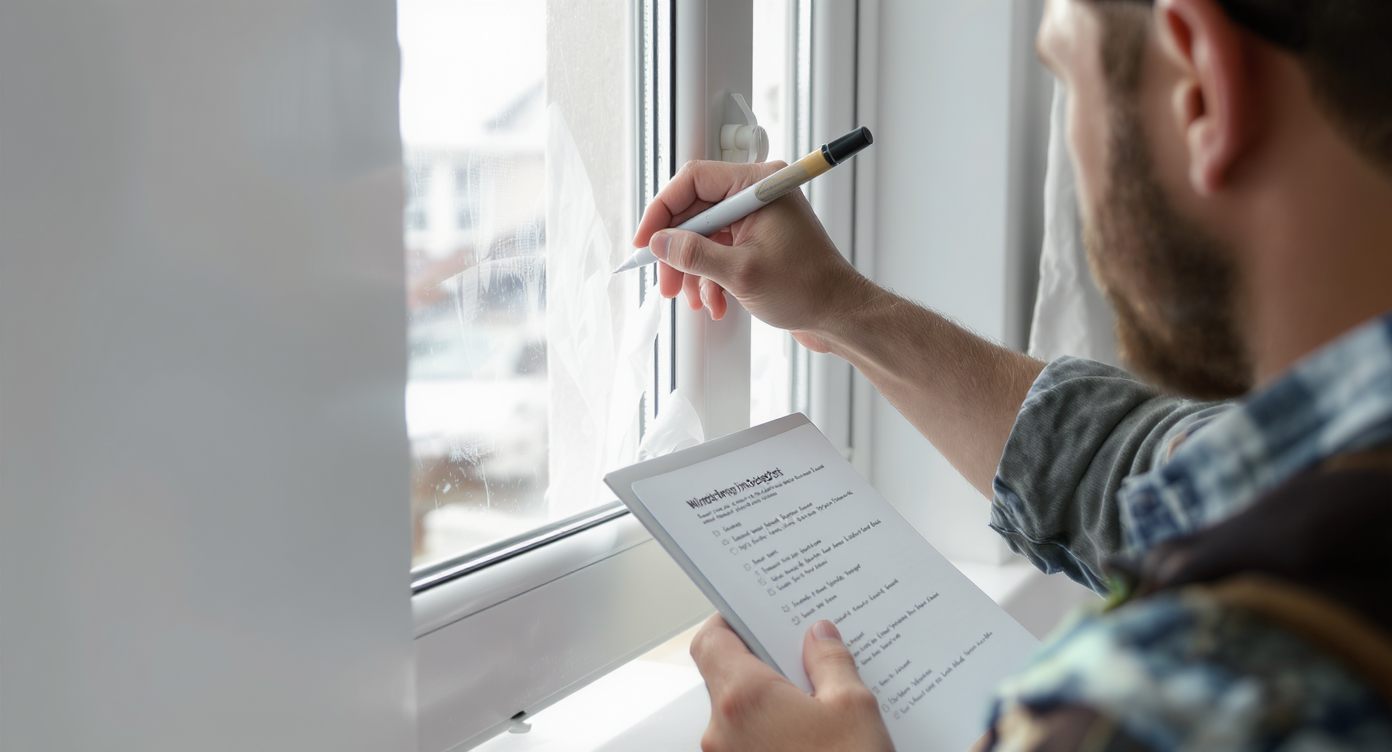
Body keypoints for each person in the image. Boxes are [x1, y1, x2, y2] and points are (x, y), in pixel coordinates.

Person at [630, 0, 1392, 749]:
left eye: (1064, 74)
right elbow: (1132, 464)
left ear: (1201, 90)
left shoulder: (1142, 710)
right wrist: (839, 305)